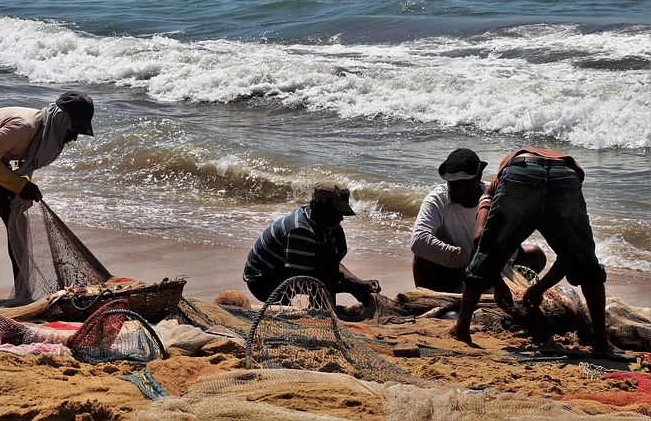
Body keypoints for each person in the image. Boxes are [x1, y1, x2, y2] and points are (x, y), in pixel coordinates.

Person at [450, 147, 609, 353]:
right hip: (567, 174)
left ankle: (461, 329)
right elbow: (568, 256)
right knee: (588, 266)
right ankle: (601, 341)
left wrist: (497, 283)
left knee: (486, 253)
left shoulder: (491, 188)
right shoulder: (557, 171)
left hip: (520, 173)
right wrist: (539, 288)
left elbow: (479, 238)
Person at [0, 91, 95, 307]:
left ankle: (21, 293)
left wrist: (21, 185)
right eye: (74, 130)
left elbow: (23, 162)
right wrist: (20, 185)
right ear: (62, 120)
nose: (74, 138)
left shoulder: (48, 136)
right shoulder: (25, 126)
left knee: (16, 221)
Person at [411, 148, 546, 292]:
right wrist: (468, 258)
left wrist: (492, 262)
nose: (461, 189)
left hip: (492, 264)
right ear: (448, 182)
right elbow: (419, 241)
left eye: (467, 183)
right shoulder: (436, 200)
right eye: (455, 184)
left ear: (478, 178)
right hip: (453, 268)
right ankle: (430, 298)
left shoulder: (497, 196)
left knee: (535, 255)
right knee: (422, 258)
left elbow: (511, 236)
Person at [243, 181, 381, 307]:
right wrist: (351, 288)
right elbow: (302, 281)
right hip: (264, 281)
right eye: (336, 212)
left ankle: (323, 312)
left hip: (294, 270)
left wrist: (358, 283)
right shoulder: (301, 231)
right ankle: (319, 314)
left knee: (327, 291)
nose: (341, 218)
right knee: (320, 293)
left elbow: (332, 263)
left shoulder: (327, 224)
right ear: (318, 206)